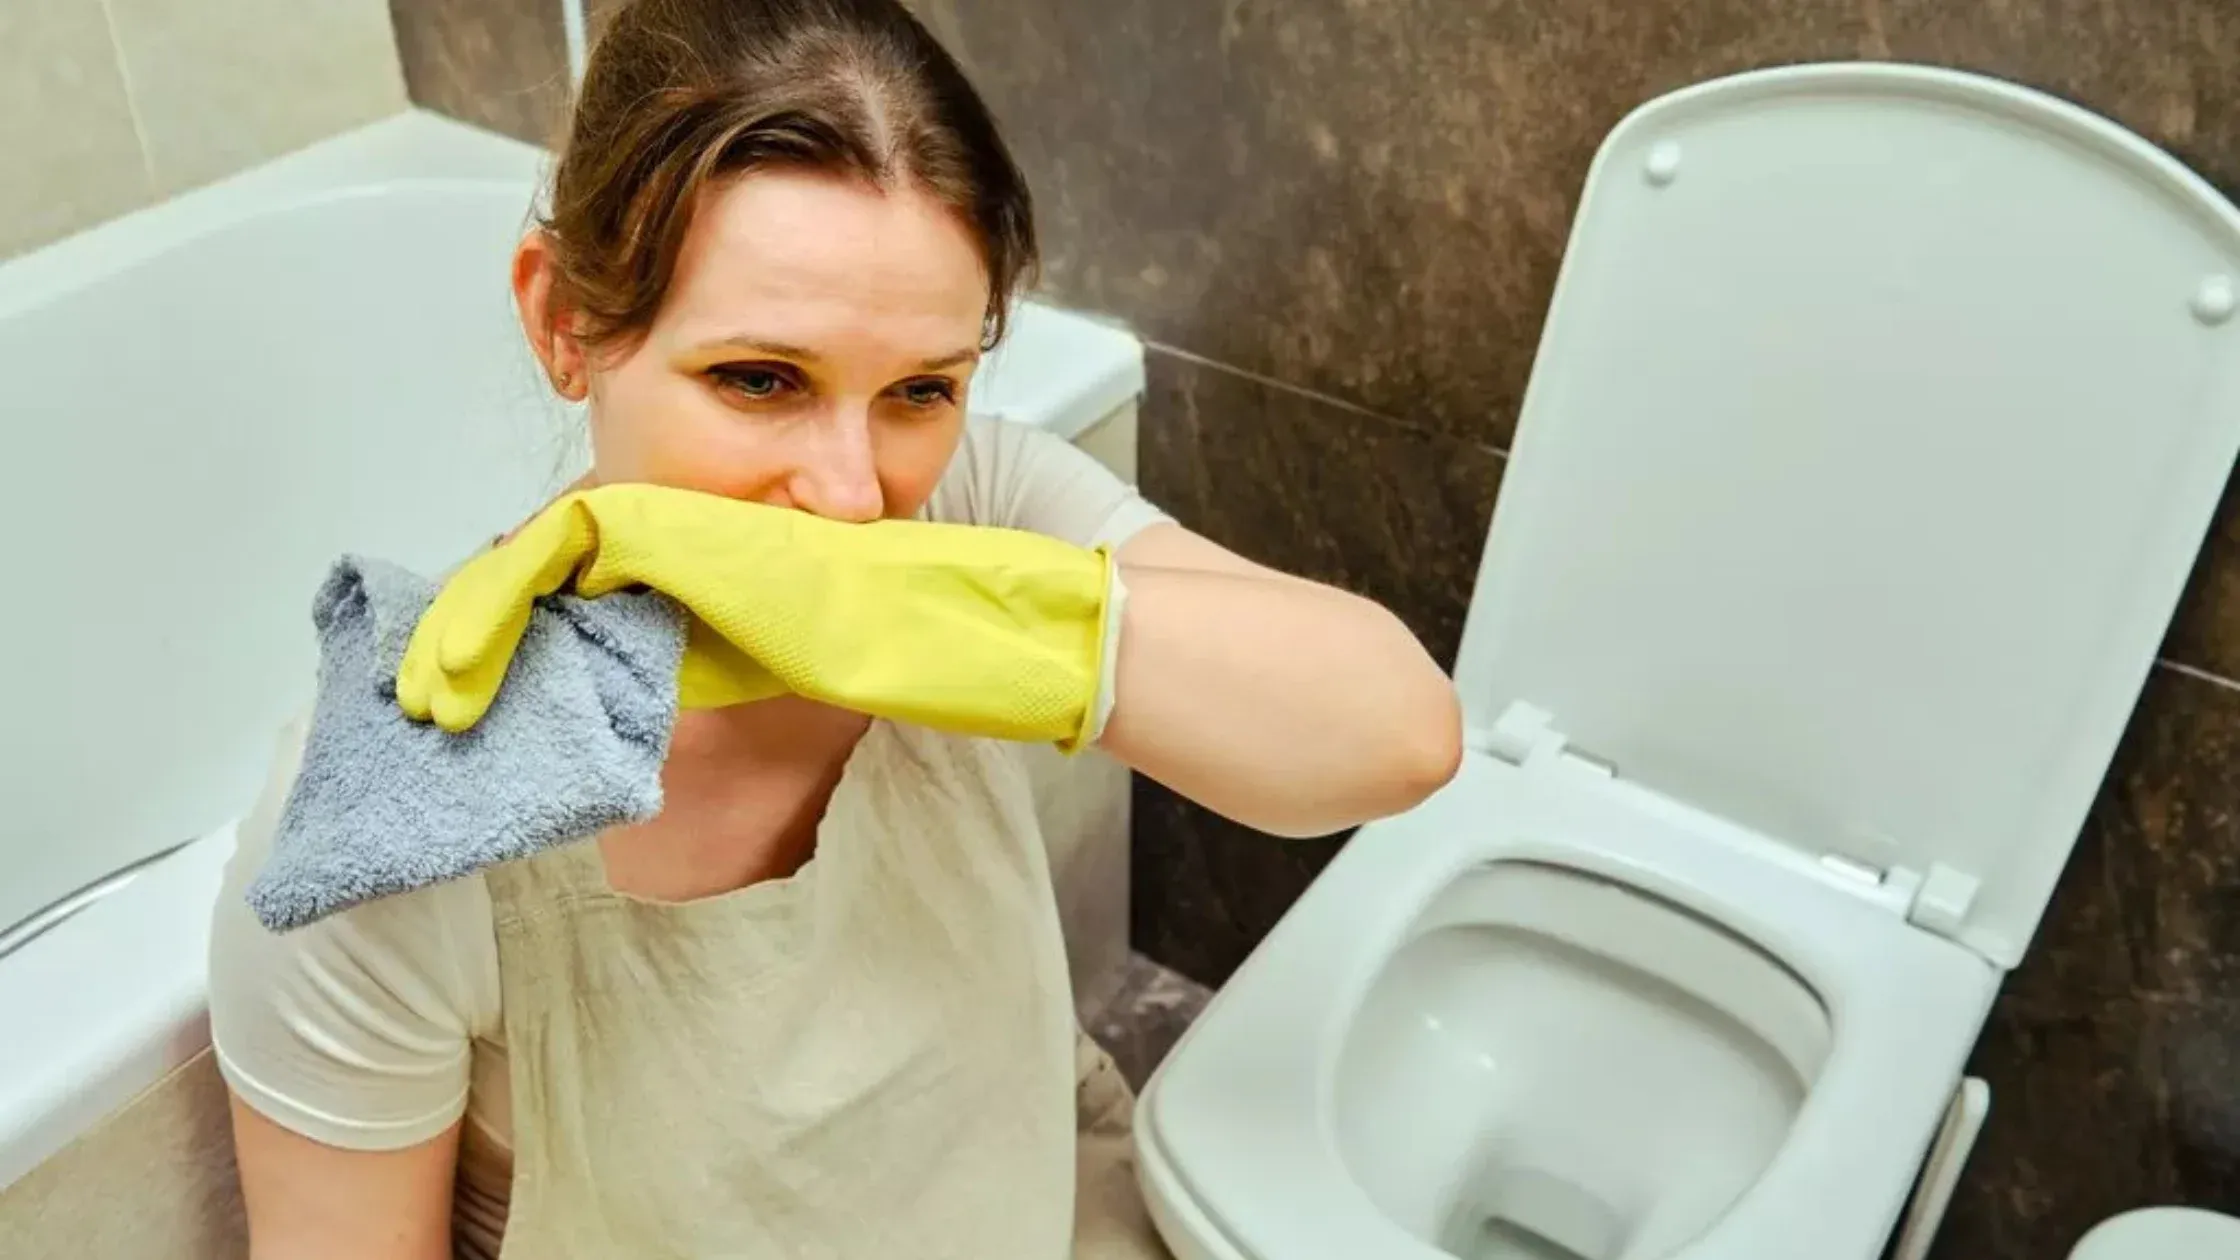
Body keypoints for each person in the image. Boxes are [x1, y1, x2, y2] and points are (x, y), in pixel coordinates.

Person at [206, 0, 1464, 1255]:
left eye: (921, 389)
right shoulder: (398, 811)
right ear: (562, 322)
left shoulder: (970, 502)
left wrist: (859, 607)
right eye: (760, 380)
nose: (853, 496)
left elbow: (1392, 737)